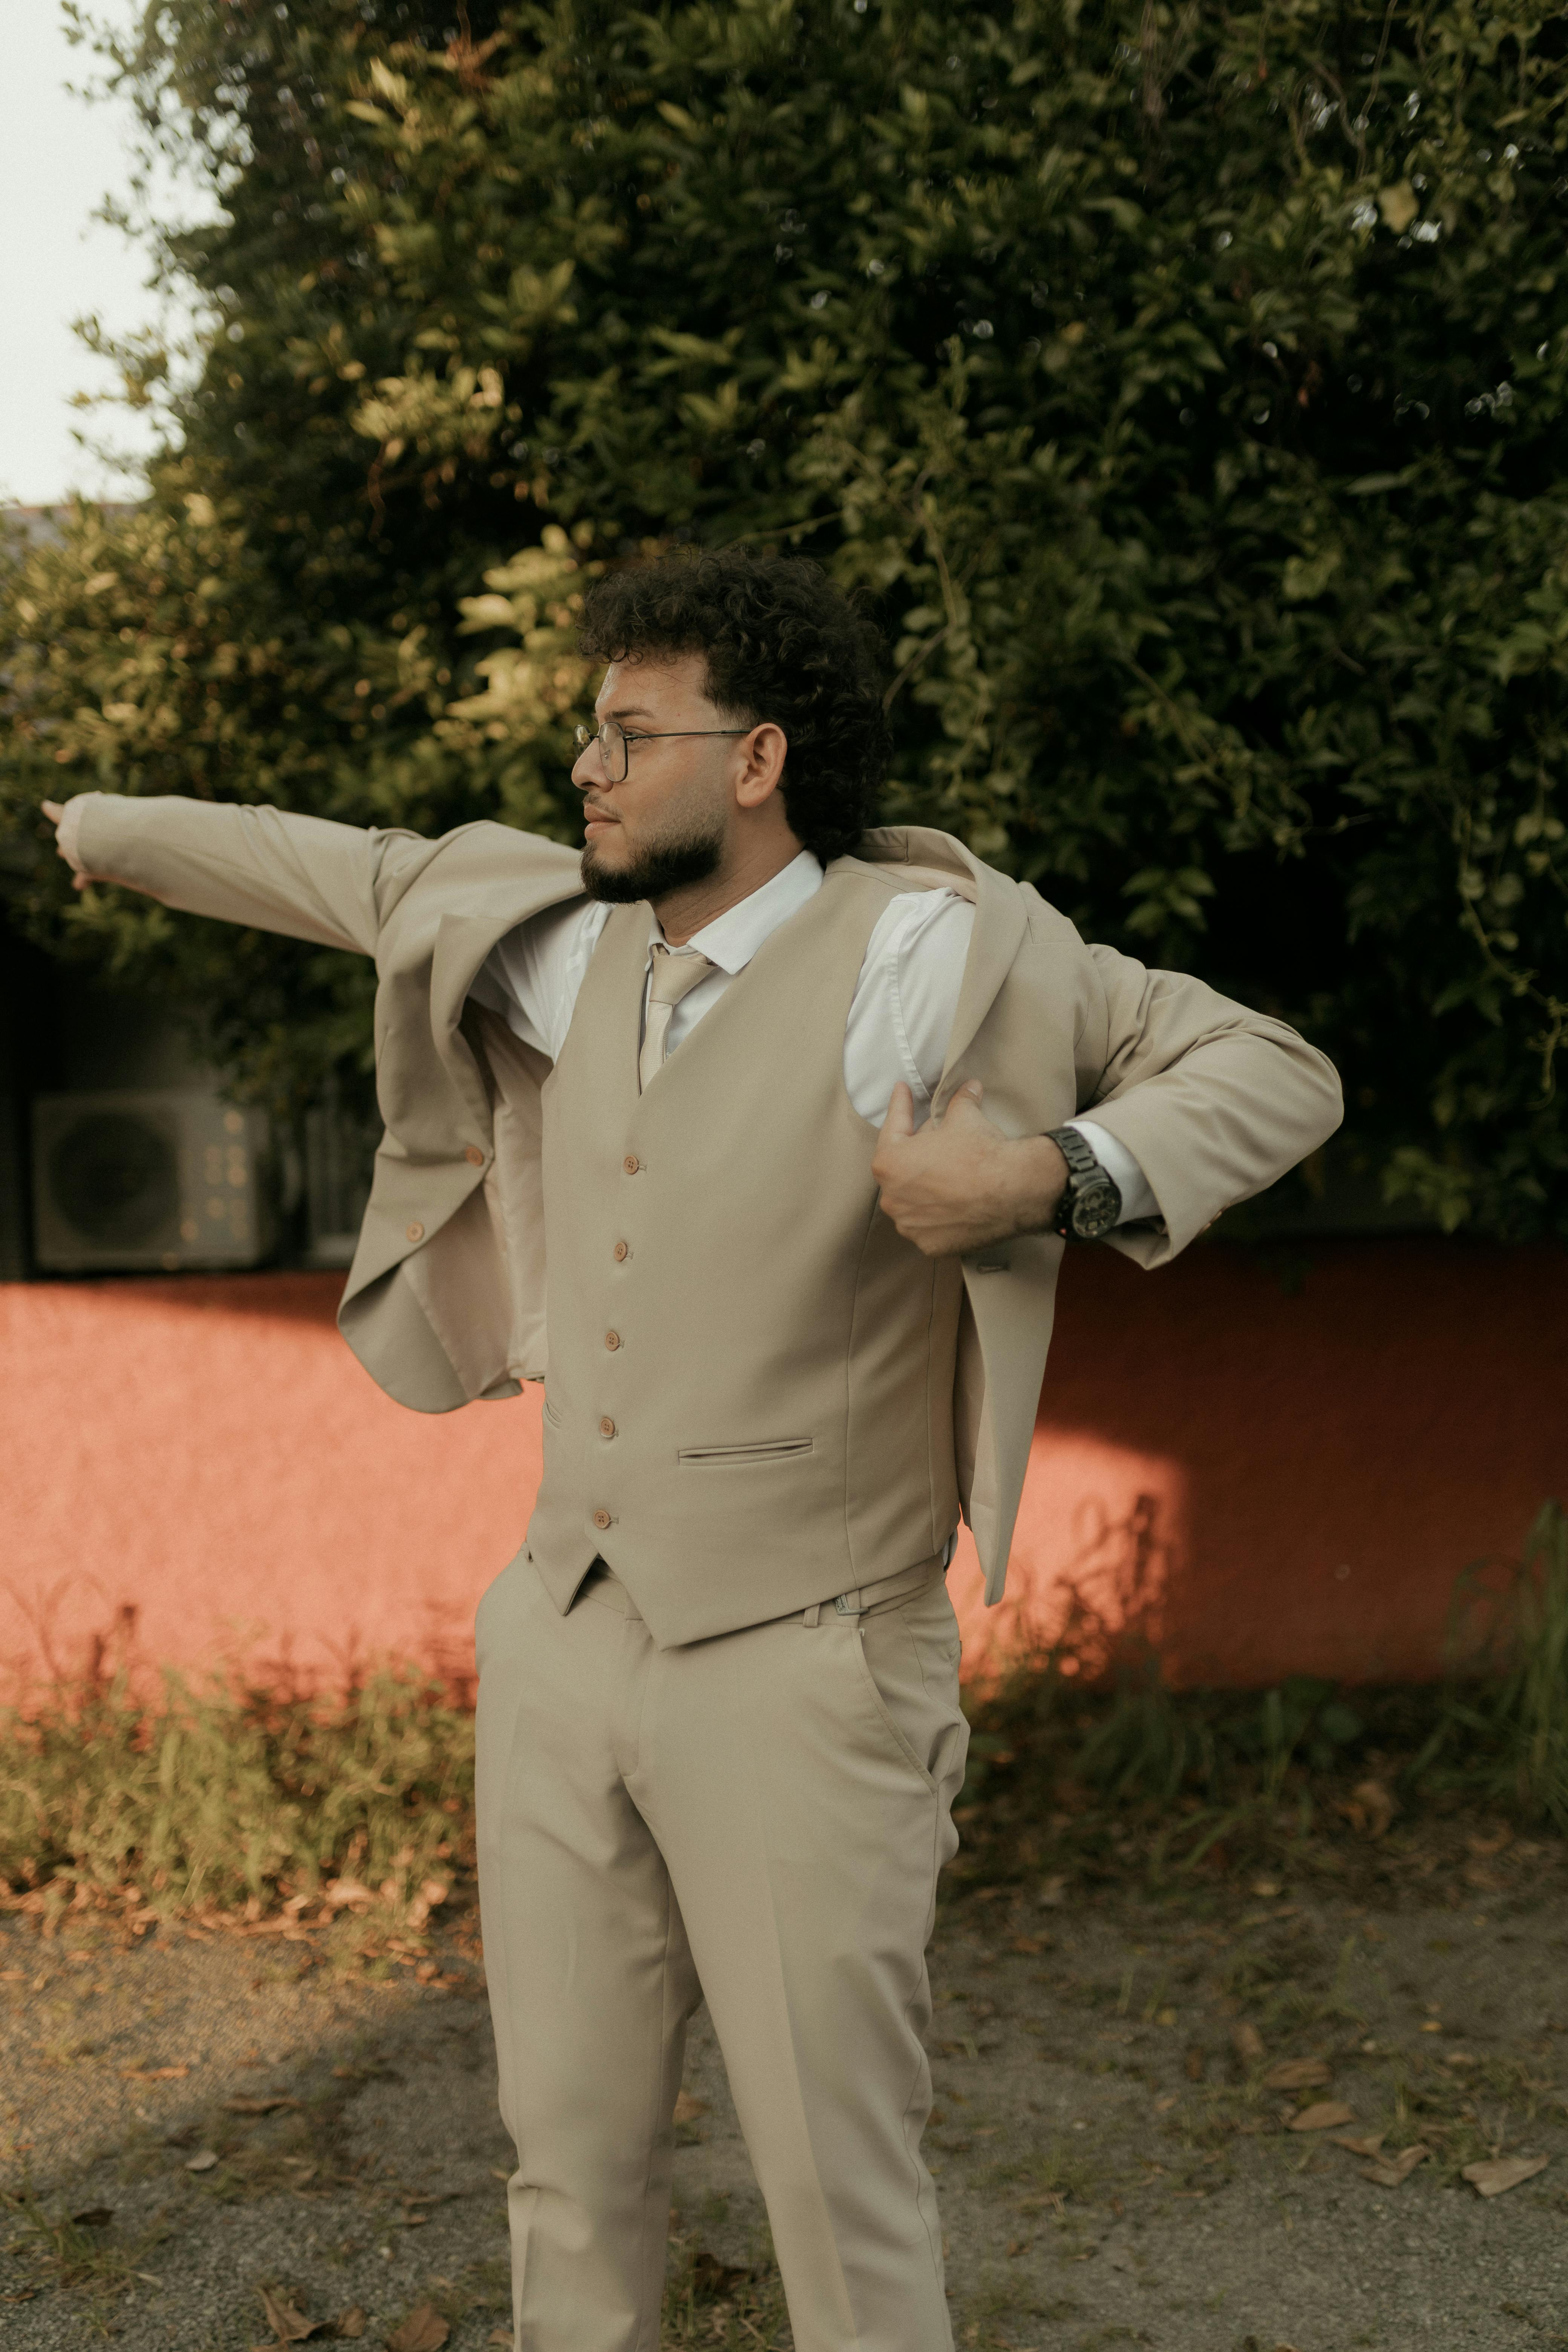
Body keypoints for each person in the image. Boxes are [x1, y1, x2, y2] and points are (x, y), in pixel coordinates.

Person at [43, 546, 1341, 2352]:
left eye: (626, 732)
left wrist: (1046, 1174)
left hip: (813, 1662)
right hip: (560, 1634)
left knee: (836, 2192)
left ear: (757, 760)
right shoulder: (557, 946)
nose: (585, 766)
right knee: (564, 2171)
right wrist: (96, 819)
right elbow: (333, 869)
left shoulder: (924, 953)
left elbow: (1273, 1069)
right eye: (587, 730)